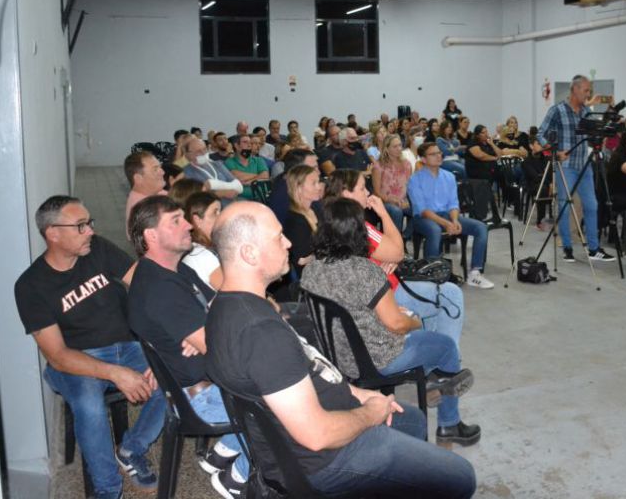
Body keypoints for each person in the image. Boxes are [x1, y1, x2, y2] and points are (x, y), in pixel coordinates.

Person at [205, 201, 476, 497]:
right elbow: (317, 435)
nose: (289, 243)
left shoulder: (223, 306)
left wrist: (357, 393)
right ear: (249, 253)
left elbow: (304, 372)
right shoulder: (261, 334)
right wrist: (369, 413)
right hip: (326, 460)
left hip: (315, 422)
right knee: (461, 478)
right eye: (278, 236)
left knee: (412, 420)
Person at [14, 196, 164, 499]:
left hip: (127, 345)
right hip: (76, 360)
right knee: (88, 404)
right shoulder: (30, 286)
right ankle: (108, 489)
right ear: (53, 233)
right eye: (81, 226)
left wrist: (161, 346)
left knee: (175, 376)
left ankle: (132, 449)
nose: (91, 231)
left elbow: (143, 285)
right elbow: (57, 356)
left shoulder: (97, 250)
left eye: (90, 223)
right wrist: (116, 373)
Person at [301, 198, 481, 447]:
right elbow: (396, 324)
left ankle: (440, 382)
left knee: (433, 350)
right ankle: (449, 422)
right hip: (378, 360)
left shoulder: (312, 270)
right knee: (446, 346)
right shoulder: (365, 271)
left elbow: (348, 304)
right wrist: (415, 321)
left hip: (338, 356)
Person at [126, 196, 249, 499]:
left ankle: (226, 450)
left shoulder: (176, 269)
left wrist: (210, 327)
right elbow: (221, 345)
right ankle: (237, 477)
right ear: (151, 236)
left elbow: (222, 303)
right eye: (176, 220)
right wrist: (211, 331)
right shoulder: (160, 288)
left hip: (211, 378)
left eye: (185, 217)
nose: (188, 226)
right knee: (289, 397)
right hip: (203, 395)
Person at [326, 169, 467, 348]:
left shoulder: (330, 222)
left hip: (366, 292)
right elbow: (398, 252)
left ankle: (432, 354)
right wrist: (383, 213)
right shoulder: (360, 227)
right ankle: (448, 357)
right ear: (347, 194)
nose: (368, 193)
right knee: (451, 294)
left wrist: (387, 259)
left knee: (435, 299)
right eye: (362, 189)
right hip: (385, 294)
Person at [537, 74, 615, 263]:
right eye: (586, 90)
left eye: (589, 90)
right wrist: (555, 151)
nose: (588, 94)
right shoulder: (557, 110)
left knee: (592, 206)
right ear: (575, 90)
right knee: (564, 206)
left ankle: (594, 248)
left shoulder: (585, 111)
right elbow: (540, 134)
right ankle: (567, 247)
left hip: (585, 166)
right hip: (566, 167)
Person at [407, 143, 496, 289]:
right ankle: (432, 273)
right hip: (423, 218)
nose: (438, 156)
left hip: (447, 216)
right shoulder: (415, 180)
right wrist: (446, 223)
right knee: (434, 230)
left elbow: (453, 204)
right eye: (433, 154)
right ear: (423, 159)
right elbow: (423, 210)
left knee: (480, 227)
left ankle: (475, 273)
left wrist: (454, 220)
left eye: (439, 153)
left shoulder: (448, 177)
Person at [283, 165, 324, 279]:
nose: (319, 187)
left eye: (318, 182)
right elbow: (300, 260)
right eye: (313, 183)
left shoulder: (315, 210)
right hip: (313, 277)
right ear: (299, 188)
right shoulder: (296, 221)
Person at [372, 134, 414, 236]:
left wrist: (409, 201)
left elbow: (410, 187)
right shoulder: (378, 166)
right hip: (385, 200)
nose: (399, 148)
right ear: (387, 148)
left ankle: (404, 237)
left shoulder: (407, 164)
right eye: (395, 146)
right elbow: (376, 192)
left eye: (400, 145)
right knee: (396, 211)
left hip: (403, 200)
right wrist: (389, 199)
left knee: (421, 209)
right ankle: (395, 241)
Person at [183, 137, 243, 206]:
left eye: (204, 149)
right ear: (188, 155)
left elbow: (239, 186)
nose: (203, 153)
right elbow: (195, 197)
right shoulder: (187, 172)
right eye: (198, 151)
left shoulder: (217, 164)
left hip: (232, 205)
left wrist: (212, 185)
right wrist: (220, 193)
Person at [182, 192, 224, 289]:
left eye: (220, 211)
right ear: (197, 220)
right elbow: (235, 293)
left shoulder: (203, 249)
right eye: (215, 212)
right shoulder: (201, 256)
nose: (221, 216)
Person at [268, 148, 319, 225]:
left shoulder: (284, 180)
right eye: (313, 168)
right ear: (298, 170)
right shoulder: (289, 191)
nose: (318, 171)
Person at [124, 151, 167, 228]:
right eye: (155, 169)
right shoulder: (144, 209)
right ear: (138, 178)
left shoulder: (155, 193)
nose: (163, 172)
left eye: (160, 167)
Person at [226, 135, 270, 199]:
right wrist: (258, 175)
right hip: (240, 198)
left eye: (250, 143)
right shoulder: (229, 161)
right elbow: (235, 176)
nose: (249, 145)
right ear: (237, 146)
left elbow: (265, 176)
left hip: (261, 197)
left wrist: (249, 182)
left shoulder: (258, 160)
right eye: (245, 142)